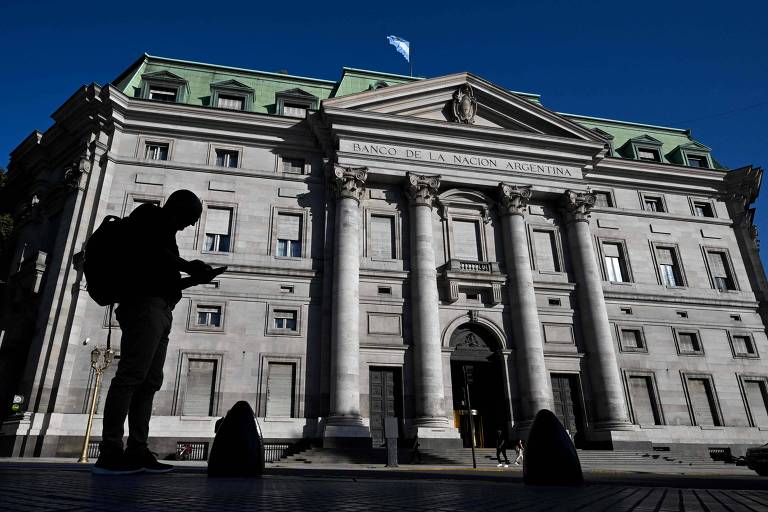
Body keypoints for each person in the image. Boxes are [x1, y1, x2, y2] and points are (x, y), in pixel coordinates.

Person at [94, 190, 224, 475]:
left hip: (162, 307)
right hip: (142, 304)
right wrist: (188, 265)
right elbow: (149, 250)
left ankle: (137, 449)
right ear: (178, 206)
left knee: (150, 381)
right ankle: (111, 450)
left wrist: (196, 278)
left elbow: (167, 282)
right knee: (131, 376)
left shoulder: (168, 237)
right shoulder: (149, 216)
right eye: (191, 217)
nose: (191, 225)